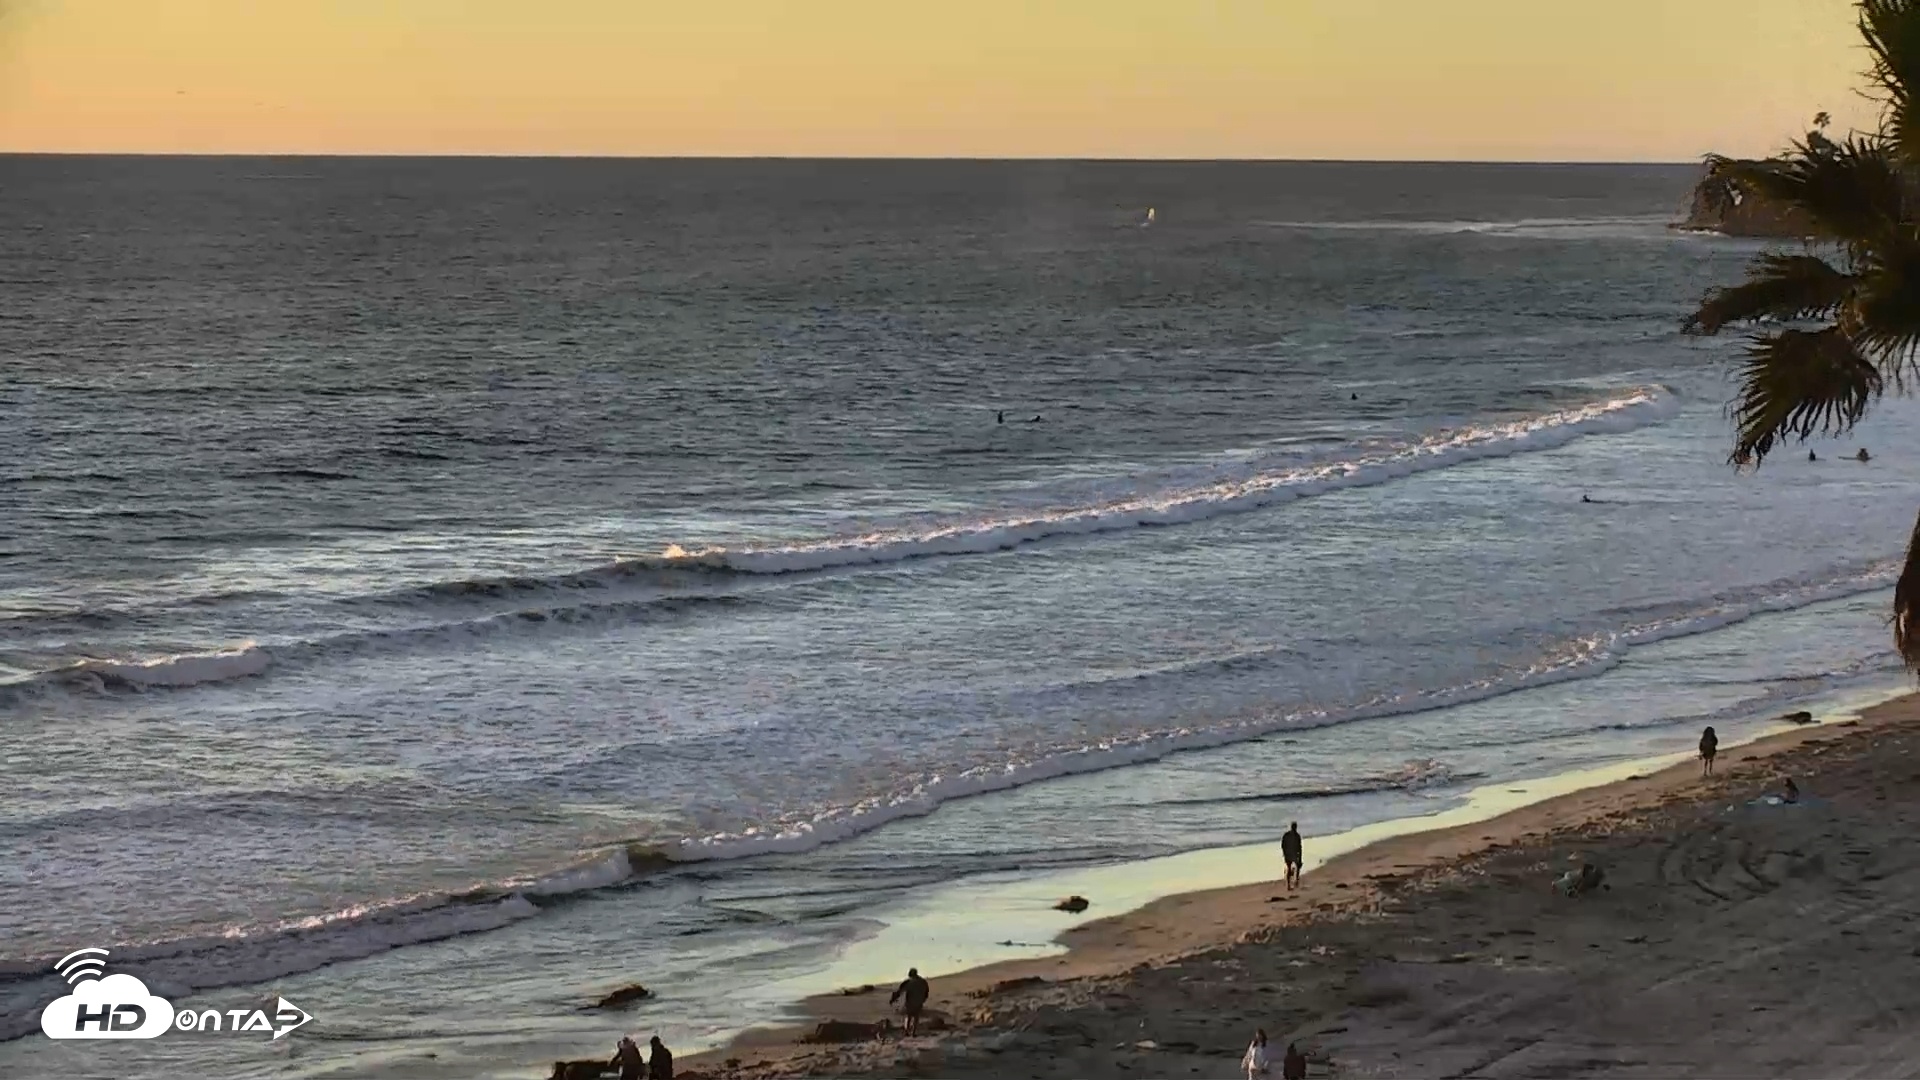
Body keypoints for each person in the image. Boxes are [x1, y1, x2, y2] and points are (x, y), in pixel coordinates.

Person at [890, 967, 931, 1035]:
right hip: (919, 1002)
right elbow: (926, 991)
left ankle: (907, 1031)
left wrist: (893, 999)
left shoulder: (908, 982)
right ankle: (913, 1032)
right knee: (916, 1017)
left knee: (908, 1016)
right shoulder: (923, 982)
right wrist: (923, 999)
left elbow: (900, 991)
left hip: (910, 1002)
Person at [1282, 822, 1304, 890]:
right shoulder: (1295, 835)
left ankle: (1292, 882)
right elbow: (1299, 847)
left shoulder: (1288, 835)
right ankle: (1293, 882)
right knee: (1294, 867)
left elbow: (1283, 845)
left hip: (1290, 854)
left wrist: (1284, 853)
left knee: (1294, 867)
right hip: (1291, 854)